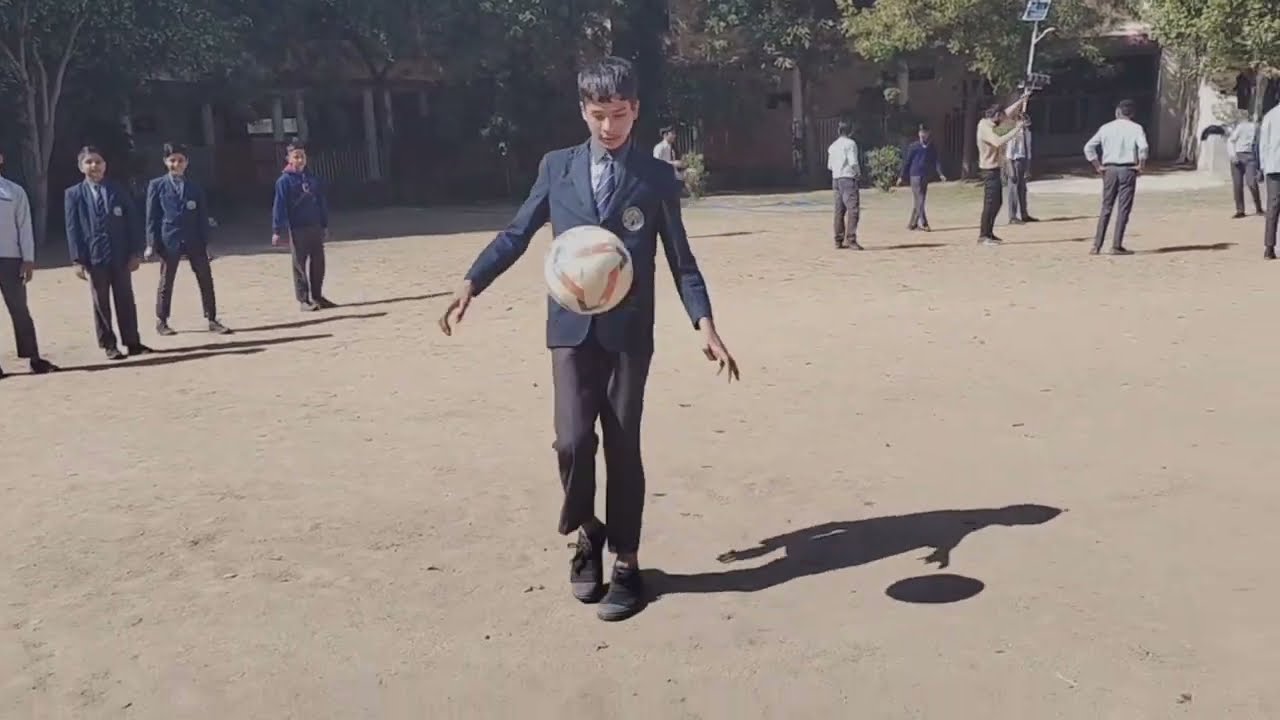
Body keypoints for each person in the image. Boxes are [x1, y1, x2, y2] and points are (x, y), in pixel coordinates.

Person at [437, 56, 739, 623]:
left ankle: (627, 563)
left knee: (623, 445)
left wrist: (705, 324)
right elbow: (517, 232)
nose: (608, 126)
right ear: (583, 111)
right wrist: (471, 282)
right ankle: (587, 529)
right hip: (570, 329)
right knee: (572, 441)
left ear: (636, 111)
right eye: (599, 115)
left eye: (619, 114)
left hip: (628, 333)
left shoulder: (655, 178)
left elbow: (682, 261)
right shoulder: (557, 168)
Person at [64, 146, 152, 360]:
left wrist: (135, 252)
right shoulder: (74, 194)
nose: (94, 166)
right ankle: (109, 344)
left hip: (120, 255)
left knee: (125, 299)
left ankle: (132, 342)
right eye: (89, 162)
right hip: (94, 257)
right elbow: (73, 228)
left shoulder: (117, 189)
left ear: (105, 165)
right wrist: (77, 260)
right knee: (100, 302)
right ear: (81, 167)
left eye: (98, 161)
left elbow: (132, 221)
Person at [146, 142, 230, 335]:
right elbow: (152, 217)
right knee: (166, 280)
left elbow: (202, 217)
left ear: (187, 162)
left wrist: (207, 243)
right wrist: (151, 243)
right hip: (169, 239)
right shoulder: (157, 185)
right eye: (172, 160)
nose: (176, 164)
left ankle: (212, 318)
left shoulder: (195, 188)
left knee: (205, 279)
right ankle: (162, 320)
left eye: (180, 160)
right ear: (165, 161)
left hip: (194, 239)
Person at [0, 151, 58, 377]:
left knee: (20, 309)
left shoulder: (13, 191)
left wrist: (28, 258)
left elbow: (24, 226)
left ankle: (33, 358)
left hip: (11, 259)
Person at [271, 140, 335, 311]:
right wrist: (277, 230)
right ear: (289, 159)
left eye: (302, 157)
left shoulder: (313, 179)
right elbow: (279, 206)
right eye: (296, 157)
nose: (300, 160)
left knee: (318, 262)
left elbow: (321, 202)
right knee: (299, 264)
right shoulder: (284, 181)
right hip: (297, 228)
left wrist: (324, 224)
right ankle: (303, 300)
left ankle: (317, 295)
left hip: (315, 225)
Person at [1084, 99, 1149, 256]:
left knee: (1106, 207)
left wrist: (1097, 165)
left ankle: (1096, 245)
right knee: (1123, 208)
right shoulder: (1136, 128)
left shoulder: (1106, 128)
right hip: (1127, 169)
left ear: (1117, 112)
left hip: (1110, 169)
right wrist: (1141, 165)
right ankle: (1116, 245)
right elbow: (1143, 147)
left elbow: (1089, 147)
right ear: (1132, 114)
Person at [975, 95, 1030, 245]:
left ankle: (989, 233)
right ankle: (983, 236)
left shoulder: (994, 124)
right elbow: (997, 141)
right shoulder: (985, 127)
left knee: (997, 202)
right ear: (996, 116)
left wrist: (1022, 100)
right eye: (1001, 117)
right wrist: (1017, 128)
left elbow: (1007, 113)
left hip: (996, 168)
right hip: (988, 170)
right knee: (990, 203)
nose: (1004, 119)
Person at [899, 125, 946, 231]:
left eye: (925, 132)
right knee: (919, 199)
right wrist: (902, 176)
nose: (923, 134)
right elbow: (907, 162)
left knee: (920, 200)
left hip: (925, 175)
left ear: (928, 134)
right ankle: (924, 223)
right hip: (915, 176)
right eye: (921, 132)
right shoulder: (913, 146)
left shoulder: (931, 147)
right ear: (919, 134)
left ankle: (912, 224)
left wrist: (940, 173)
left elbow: (936, 161)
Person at [827, 120, 862, 249]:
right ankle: (851, 238)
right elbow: (853, 162)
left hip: (836, 178)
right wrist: (858, 173)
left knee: (839, 210)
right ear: (851, 131)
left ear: (838, 131)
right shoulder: (850, 144)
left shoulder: (832, 146)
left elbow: (830, 166)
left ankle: (838, 239)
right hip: (847, 177)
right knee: (853, 209)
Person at [1006, 113, 1039, 224]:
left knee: (1023, 190)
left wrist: (1028, 169)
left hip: (1024, 161)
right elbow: (1009, 155)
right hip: (1015, 162)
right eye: (1024, 120)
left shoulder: (1027, 133)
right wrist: (1011, 171)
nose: (1027, 122)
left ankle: (1024, 214)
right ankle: (1012, 216)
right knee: (1013, 190)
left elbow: (1028, 152)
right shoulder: (1014, 134)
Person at [1228, 116, 1263, 218]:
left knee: (1252, 183)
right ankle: (1240, 210)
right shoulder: (1242, 127)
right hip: (1238, 156)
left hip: (1250, 157)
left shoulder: (1259, 130)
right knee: (1237, 185)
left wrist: (1259, 164)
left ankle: (1258, 207)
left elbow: (1260, 147)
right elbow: (1231, 140)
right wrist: (1232, 155)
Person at [1259, 103, 1280, 259]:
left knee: (1272, 206)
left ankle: (1269, 247)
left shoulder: (1270, 115)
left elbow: (1263, 144)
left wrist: (1263, 166)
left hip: (1273, 166)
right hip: (1274, 166)